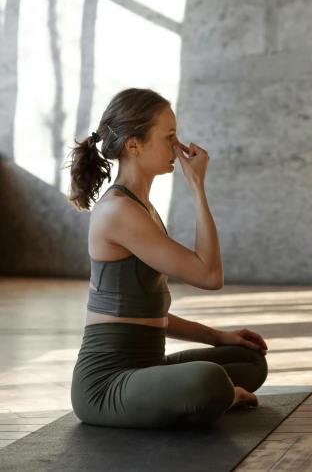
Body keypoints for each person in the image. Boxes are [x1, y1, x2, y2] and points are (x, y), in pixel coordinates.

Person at [66, 88, 268, 429]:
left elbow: (148, 313)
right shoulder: (118, 211)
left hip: (147, 367)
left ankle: (200, 396)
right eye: (169, 136)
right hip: (104, 386)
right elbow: (209, 276)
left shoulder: (141, 207)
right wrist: (197, 187)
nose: (179, 147)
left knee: (248, 360)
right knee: (211, 381)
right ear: (134, 145)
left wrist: (220, 337)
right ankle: (220, 396)